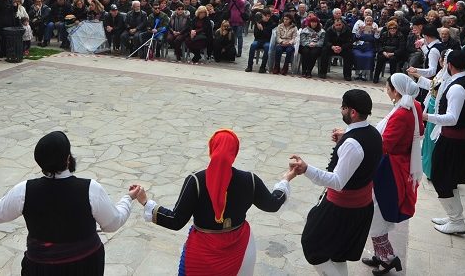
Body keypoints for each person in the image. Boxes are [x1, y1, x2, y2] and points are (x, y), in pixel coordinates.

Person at [0, 131, 141, 274]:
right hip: (86, 266)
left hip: (41, 268)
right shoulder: (91, 188)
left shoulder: (24, 190)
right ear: (68, 159)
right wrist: (128, 198)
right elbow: (112, 224)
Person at [137, 129, 296, 275]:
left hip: (202, 256)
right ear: (235, 153)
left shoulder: (196, 181)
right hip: (241, 251)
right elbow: (273, 204)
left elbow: (176, 221)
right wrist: (285, 180)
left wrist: (146, 203)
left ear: (211, 150)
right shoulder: (250, 181)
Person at [291, 89, 383, 276]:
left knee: (312, 246)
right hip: (360, 207)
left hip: (342, 210)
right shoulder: (373, 133)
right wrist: (345, 139)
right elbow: (361, 158)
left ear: (353, 112)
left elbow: (338, 181)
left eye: (344, 108)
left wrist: (306, 169)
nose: (341, 110)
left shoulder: (352, 144)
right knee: (337, 253)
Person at [361, 74, 424, 274]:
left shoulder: (401, 113)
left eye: (387, 87)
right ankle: (381, 255)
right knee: (377, 211)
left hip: (390, 168)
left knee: (376, 212)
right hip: (397, 163)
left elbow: (384, 145)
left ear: (396, 91)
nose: (386, 90)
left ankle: (389, 258)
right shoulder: (414, 105)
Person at [424, 50, 465, 235]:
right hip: (457, 139)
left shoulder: (457, 87)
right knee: (448, 179)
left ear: (450, 65)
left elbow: (452, 118)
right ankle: (454, 216)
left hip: (455, 140)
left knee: (441, 178)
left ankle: (456, 221)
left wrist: (427, 116)